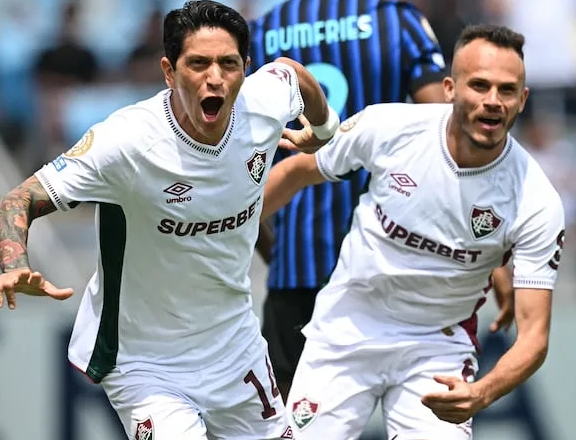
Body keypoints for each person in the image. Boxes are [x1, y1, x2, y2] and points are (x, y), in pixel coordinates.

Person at [0, 1, 338, 439]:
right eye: (198, 63)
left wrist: (324, 130)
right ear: (169, 72)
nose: (215, 77)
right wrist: (13, 262)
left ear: (245, 67)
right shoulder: (126, 142)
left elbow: (292, 73)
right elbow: (21, 198)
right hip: (145, 363)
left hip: (235, 349)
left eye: (228, 64)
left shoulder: (264, 104)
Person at [261, 24, 566, 439]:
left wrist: (482, 392)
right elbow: (297, 171)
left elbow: (534, 337)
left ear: (523, 99)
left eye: (507, 90)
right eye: (479, 85)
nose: (493, 101)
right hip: (347, 325)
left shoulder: (536, 200)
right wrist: (228, 229)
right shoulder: (389, 126)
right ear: (450, 89)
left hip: (436, 348)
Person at [248, 0, 513, 402]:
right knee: (423, 411)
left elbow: (236, 173)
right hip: (392, 270)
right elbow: (454, 138)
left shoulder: (262, 32)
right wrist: (493, 256)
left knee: (292, 421)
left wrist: (277, 254)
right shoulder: (396, 21)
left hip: (297, 269)